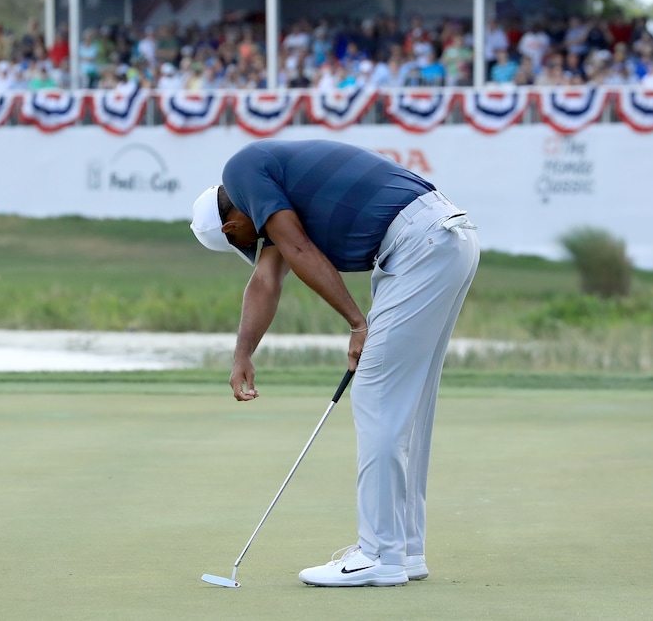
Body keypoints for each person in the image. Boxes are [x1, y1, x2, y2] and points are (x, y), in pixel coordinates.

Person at [190, 139, 479, 587]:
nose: (258, 245)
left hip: (421, 244)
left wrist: (357, 323)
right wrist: (243, 353)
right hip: (441, 239)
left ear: (230, 227)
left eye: (244, 242)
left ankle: (379, 555)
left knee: (376, 395)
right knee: (407, 402)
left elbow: (300, 250)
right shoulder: (272, 195)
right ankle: (404, 549)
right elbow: (266, 280)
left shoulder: (243, 170)